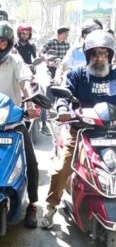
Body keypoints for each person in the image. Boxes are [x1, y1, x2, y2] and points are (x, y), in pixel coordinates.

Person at [40, 29, 116, 230]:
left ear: (110, 55)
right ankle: (51, 207)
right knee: (62, 168)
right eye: (95, 53)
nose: (99, 58)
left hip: (113, 133)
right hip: (81, 130)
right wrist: (62, 109)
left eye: (104, 53)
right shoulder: (77, 75)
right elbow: (64, 97)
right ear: (88, 55)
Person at [0, 21, 41, 228]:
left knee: (31, 163)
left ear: (8, 44)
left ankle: (32, 205)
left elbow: (25, 81)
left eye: (1, 42)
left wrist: (31, 103)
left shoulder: (15, 61)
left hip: (12, 122)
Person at [54, 19, 103, 85]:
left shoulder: (104, 52)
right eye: (88, 33)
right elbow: (63, 66)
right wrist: (58, 76)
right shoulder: (76, 50)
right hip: (75, 88)